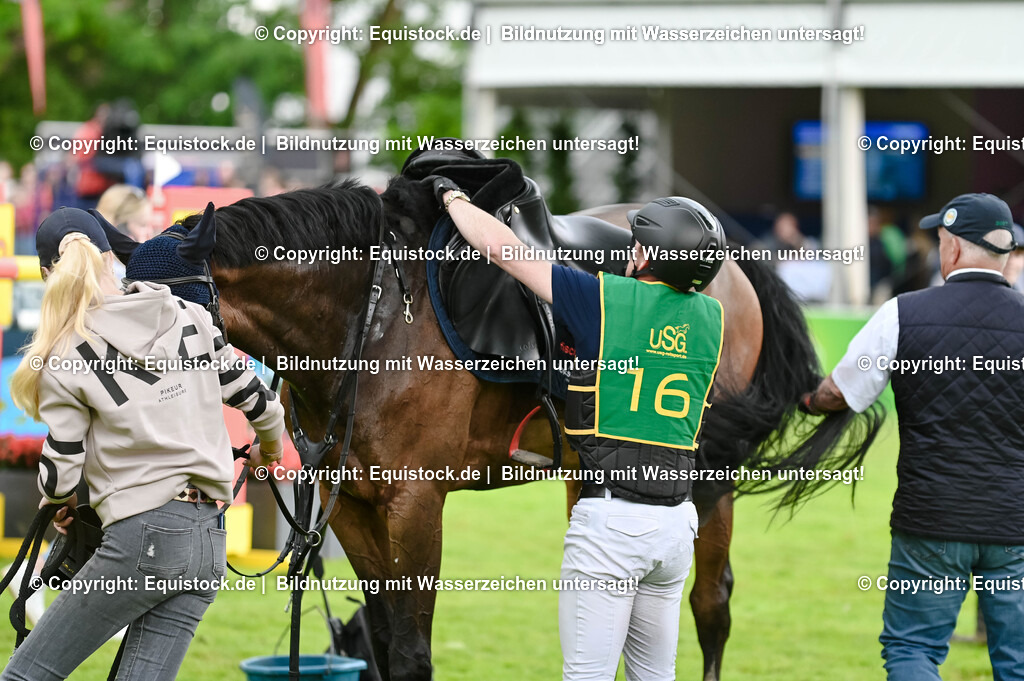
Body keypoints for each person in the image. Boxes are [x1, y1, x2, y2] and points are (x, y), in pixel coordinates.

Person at [428, 175, 723, 680]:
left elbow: (503, 250)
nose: (629, 249)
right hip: (677, 527)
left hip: (611, 526)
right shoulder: (711, 318)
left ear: (650, 257)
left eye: (637, 243)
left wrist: (451, 197)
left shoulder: (603, 301)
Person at [1, 207, 286, 681]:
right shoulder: (191, 316)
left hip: (141, 541)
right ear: (113, 256)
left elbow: (62, 471)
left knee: (25, 675)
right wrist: (268, 452)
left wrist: (58, 503)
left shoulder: (65, 355)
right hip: (210, 542)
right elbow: (262, 406)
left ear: (49, 274)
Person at [799, 193, 1024, 681]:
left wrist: (809, 400)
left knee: (912, 652)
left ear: (954, 249)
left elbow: (841, 392)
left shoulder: (902, 312)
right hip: (1015, 524)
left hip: (932, 518)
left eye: (940, 240)